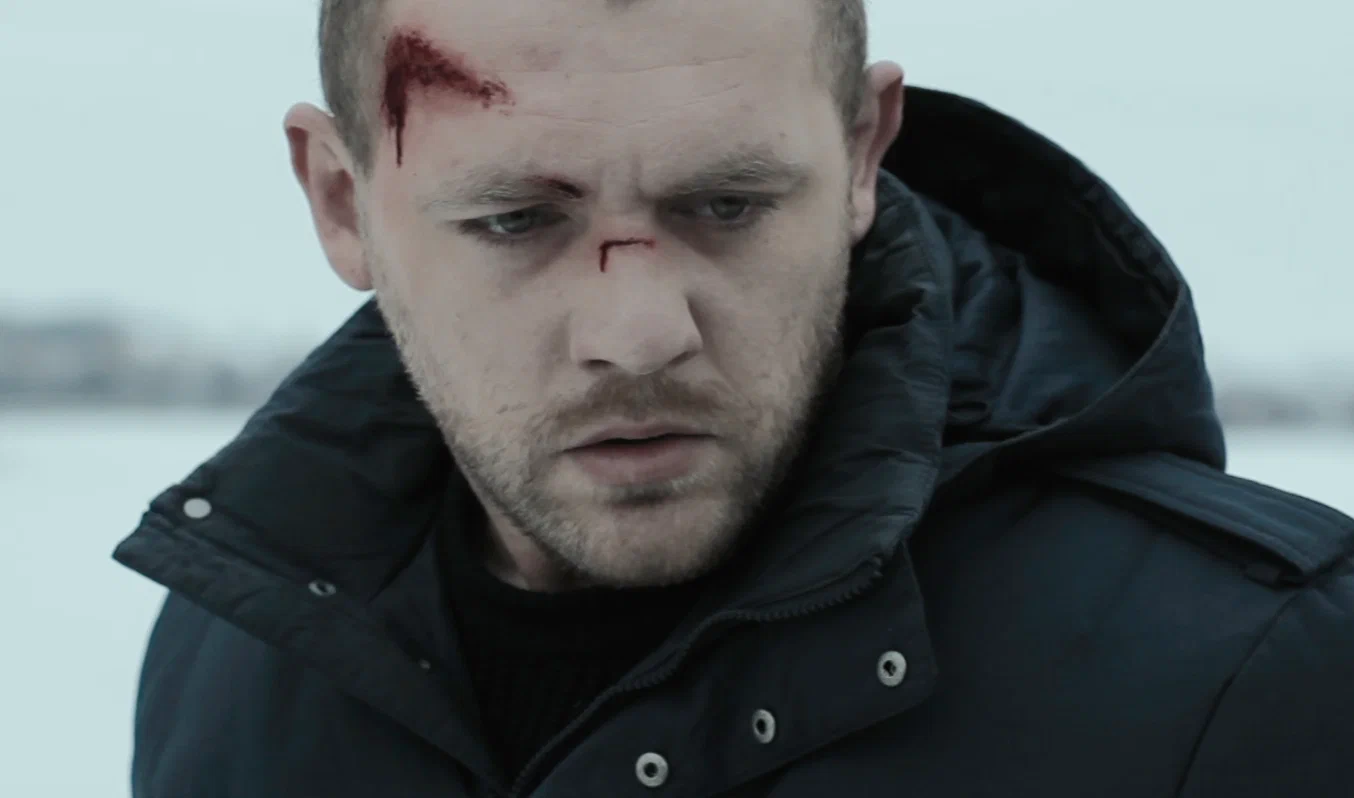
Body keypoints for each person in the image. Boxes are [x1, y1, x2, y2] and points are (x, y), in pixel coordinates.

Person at [114, 0, 1354, 795]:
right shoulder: (247, 652)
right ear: (342, 201)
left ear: (861, 153)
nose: (638, 336)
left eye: (727, 206)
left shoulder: (1247, 678)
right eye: (514, 220)